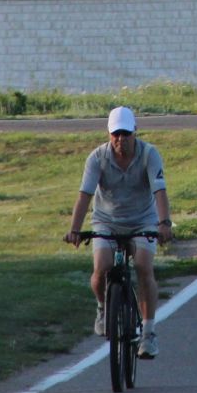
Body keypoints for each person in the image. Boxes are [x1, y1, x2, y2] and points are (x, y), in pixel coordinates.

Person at [65, 106, 175, 359]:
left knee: (143, 266)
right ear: (108, 134)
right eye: (116, 134)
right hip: (107, 220)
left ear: (135, 132)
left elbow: (160, 191)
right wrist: (74, 229)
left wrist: (164, 223)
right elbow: (85, 195)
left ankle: (148, 333)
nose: (120, 140)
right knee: (101, 266)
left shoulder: (149, 154)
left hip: (142, 220)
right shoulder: (97, 158)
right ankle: (103, 308)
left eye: (126, 134)